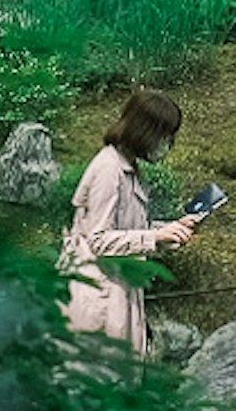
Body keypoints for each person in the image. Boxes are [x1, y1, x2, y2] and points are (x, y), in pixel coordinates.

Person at [61, 88, 198, 357]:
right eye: (165, 136)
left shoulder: (128, 167)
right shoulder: (109, 169)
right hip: (96, 294)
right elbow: (99, 240)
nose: (168, 144)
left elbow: (127, 229)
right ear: (146, 131)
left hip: (117, 288)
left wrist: (169, 230)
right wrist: (154, 237)